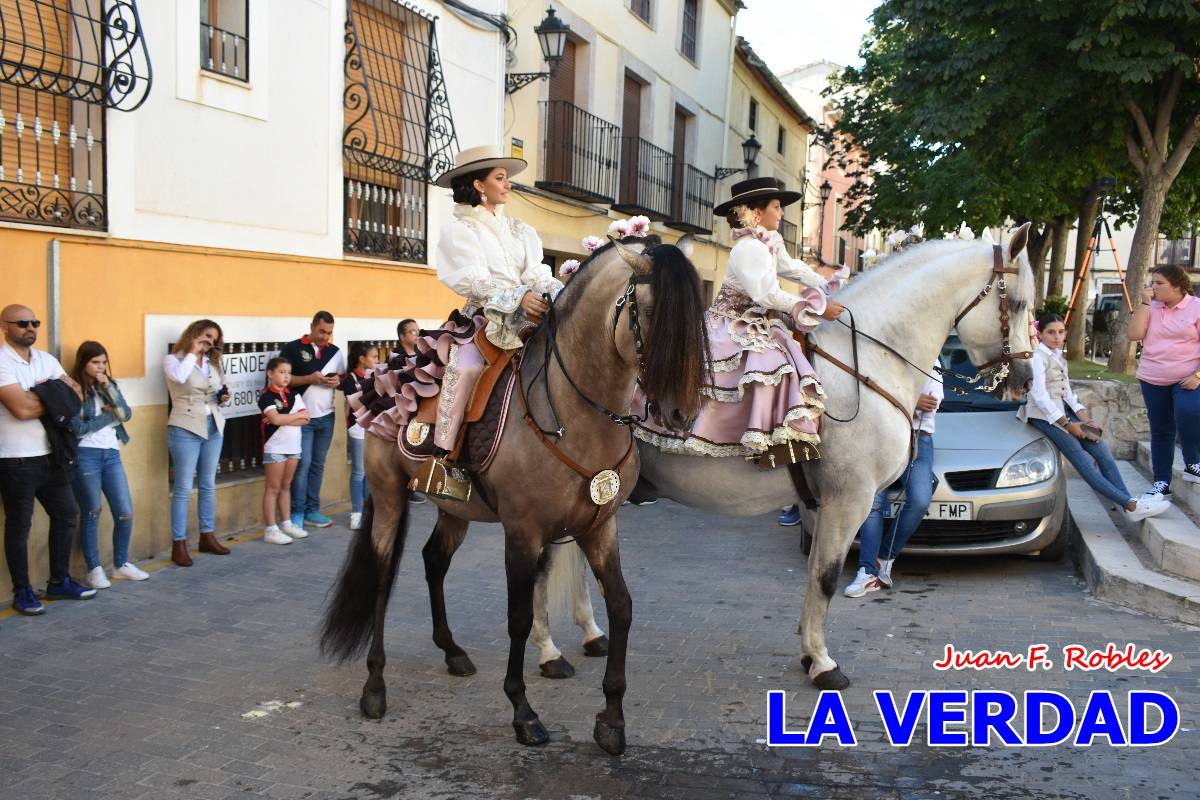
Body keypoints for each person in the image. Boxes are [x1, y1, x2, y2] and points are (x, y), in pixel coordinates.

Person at [351, 145, 561, 495]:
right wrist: (516, 297)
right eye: (500, 178)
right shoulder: (461, 230)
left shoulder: (519, 230)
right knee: (464, 368)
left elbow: (538, 273)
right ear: (479, 185)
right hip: (484, 321)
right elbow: (472, 280)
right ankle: (445, 461)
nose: (507, 184)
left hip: (530, 318)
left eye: (506, 178)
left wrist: (562, 293)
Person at [633, 177, 844, 463]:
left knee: (785, 354)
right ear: (755, 212)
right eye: (776, 206)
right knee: (770, 362)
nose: (782, 213)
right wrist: (815, 308)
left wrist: (824, 285)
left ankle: (778, 436)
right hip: (730, 323)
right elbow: (766, 294)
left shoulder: (768, 241)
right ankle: (749, 438)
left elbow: (790, 267)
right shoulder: (748, 248)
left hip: (753, 322)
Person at [1020, 314, 1168, 521]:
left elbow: (1067, 393)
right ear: (1040, 334)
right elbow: (1040, 397)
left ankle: (1127, 502)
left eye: (1061, 332)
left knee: (1102, 451)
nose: (1057, 336)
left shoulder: (1057, 356)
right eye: (1051, 332)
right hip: (1044, 416)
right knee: (1083, 461)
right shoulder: (1037, 357)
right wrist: (1068, 424)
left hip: (1064, 412)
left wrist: (1083, 416)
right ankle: (1131, 505)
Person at [0, 304, 95, 614]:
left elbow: (77, 396)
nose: (30, 327)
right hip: (15, 460)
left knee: (67, 515)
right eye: (22, 323)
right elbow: (21, 409)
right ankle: (23, 591)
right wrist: (56, 397)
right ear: (4, 327)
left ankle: (59, 581)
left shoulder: (46, 359)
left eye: (35, 322)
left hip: (52, 456)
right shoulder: (2, 361)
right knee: (19, 526)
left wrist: (41, 395)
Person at [844, 369, 942, 597]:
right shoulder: (883, 356)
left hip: (918, 439)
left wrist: (896, 402)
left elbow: (930, 404)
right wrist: (911, 403)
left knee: (920, 500)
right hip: (880, 437)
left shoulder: (933, 362)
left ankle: (885, 558)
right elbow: (868, 400)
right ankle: (867, 571)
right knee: (874, 501)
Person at [68, 341, 148, 588]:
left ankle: (120, 564)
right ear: (83, 362)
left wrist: (108, 389)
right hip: (85, 454)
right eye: (95, 362)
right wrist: (108, 415)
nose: (100, 367)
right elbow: (79, 429)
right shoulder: (73, 388)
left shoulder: (108, 385)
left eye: (104, 362)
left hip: (112, 454)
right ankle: (94, 569)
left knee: (124, 511)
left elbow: (126, 414)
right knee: (92, 511)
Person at [1128, 265, 1200, 499]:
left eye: (1159, 283)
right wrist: (1144, 304)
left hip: (1187, 377)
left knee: (1189, 411)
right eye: (1153, 282)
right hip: (1152, 377)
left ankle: (1193, 462)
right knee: (1161, 430)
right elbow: (1134, 335)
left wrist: (1198, 376)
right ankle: (1161, 483)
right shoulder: (1151, 306)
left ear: (1177, 286)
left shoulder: (1196, 307)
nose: (1153, 287)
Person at [164, 319, 231, 567]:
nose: (210, 342)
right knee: (183, 487)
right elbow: (179, 378)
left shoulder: (212, 364)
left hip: (213, 425)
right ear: (194, 334)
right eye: (206, 335)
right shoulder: (173, 360)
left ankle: (207, 535)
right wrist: (193, 351)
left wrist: (224, 397)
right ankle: (179, 543)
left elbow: (218, 393)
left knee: (208, 484)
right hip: (185, 426)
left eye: (214, 339)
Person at [279, 312, 346, 530]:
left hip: (326, 417)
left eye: (329, 333)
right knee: (303, 465)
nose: (325, 337)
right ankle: (297, 512)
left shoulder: (335, 352)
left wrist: (337, 382)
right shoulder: (292, 349)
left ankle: (312, 510)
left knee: (318, 464)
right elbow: (283, 380)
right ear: (312, 326)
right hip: (302, 418)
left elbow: (343, 379)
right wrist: (309, 379)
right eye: (322, 331)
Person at [258, 358, 311, 545]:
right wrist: (295, 416)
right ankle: (271, 529)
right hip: (275, 447)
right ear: (270, 374)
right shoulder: (266, 396)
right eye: (281, 372)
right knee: (273, 488)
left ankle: (286, 523)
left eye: (288, 372)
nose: (286, 376)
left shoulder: (294, 395)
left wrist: (284, 418)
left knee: (286, 486)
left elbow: (306, 419)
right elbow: (275, 420)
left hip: (293, 446)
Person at [340, 342, 377, 530]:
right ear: (362, 359)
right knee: (358, 472)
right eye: (374, 357)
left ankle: (368, 511)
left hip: (374, 428)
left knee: (369, 472)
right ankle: (356, 513)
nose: (377, 360)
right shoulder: (350, 379)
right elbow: (359, 405)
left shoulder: (375, 375)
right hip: (358, 429)